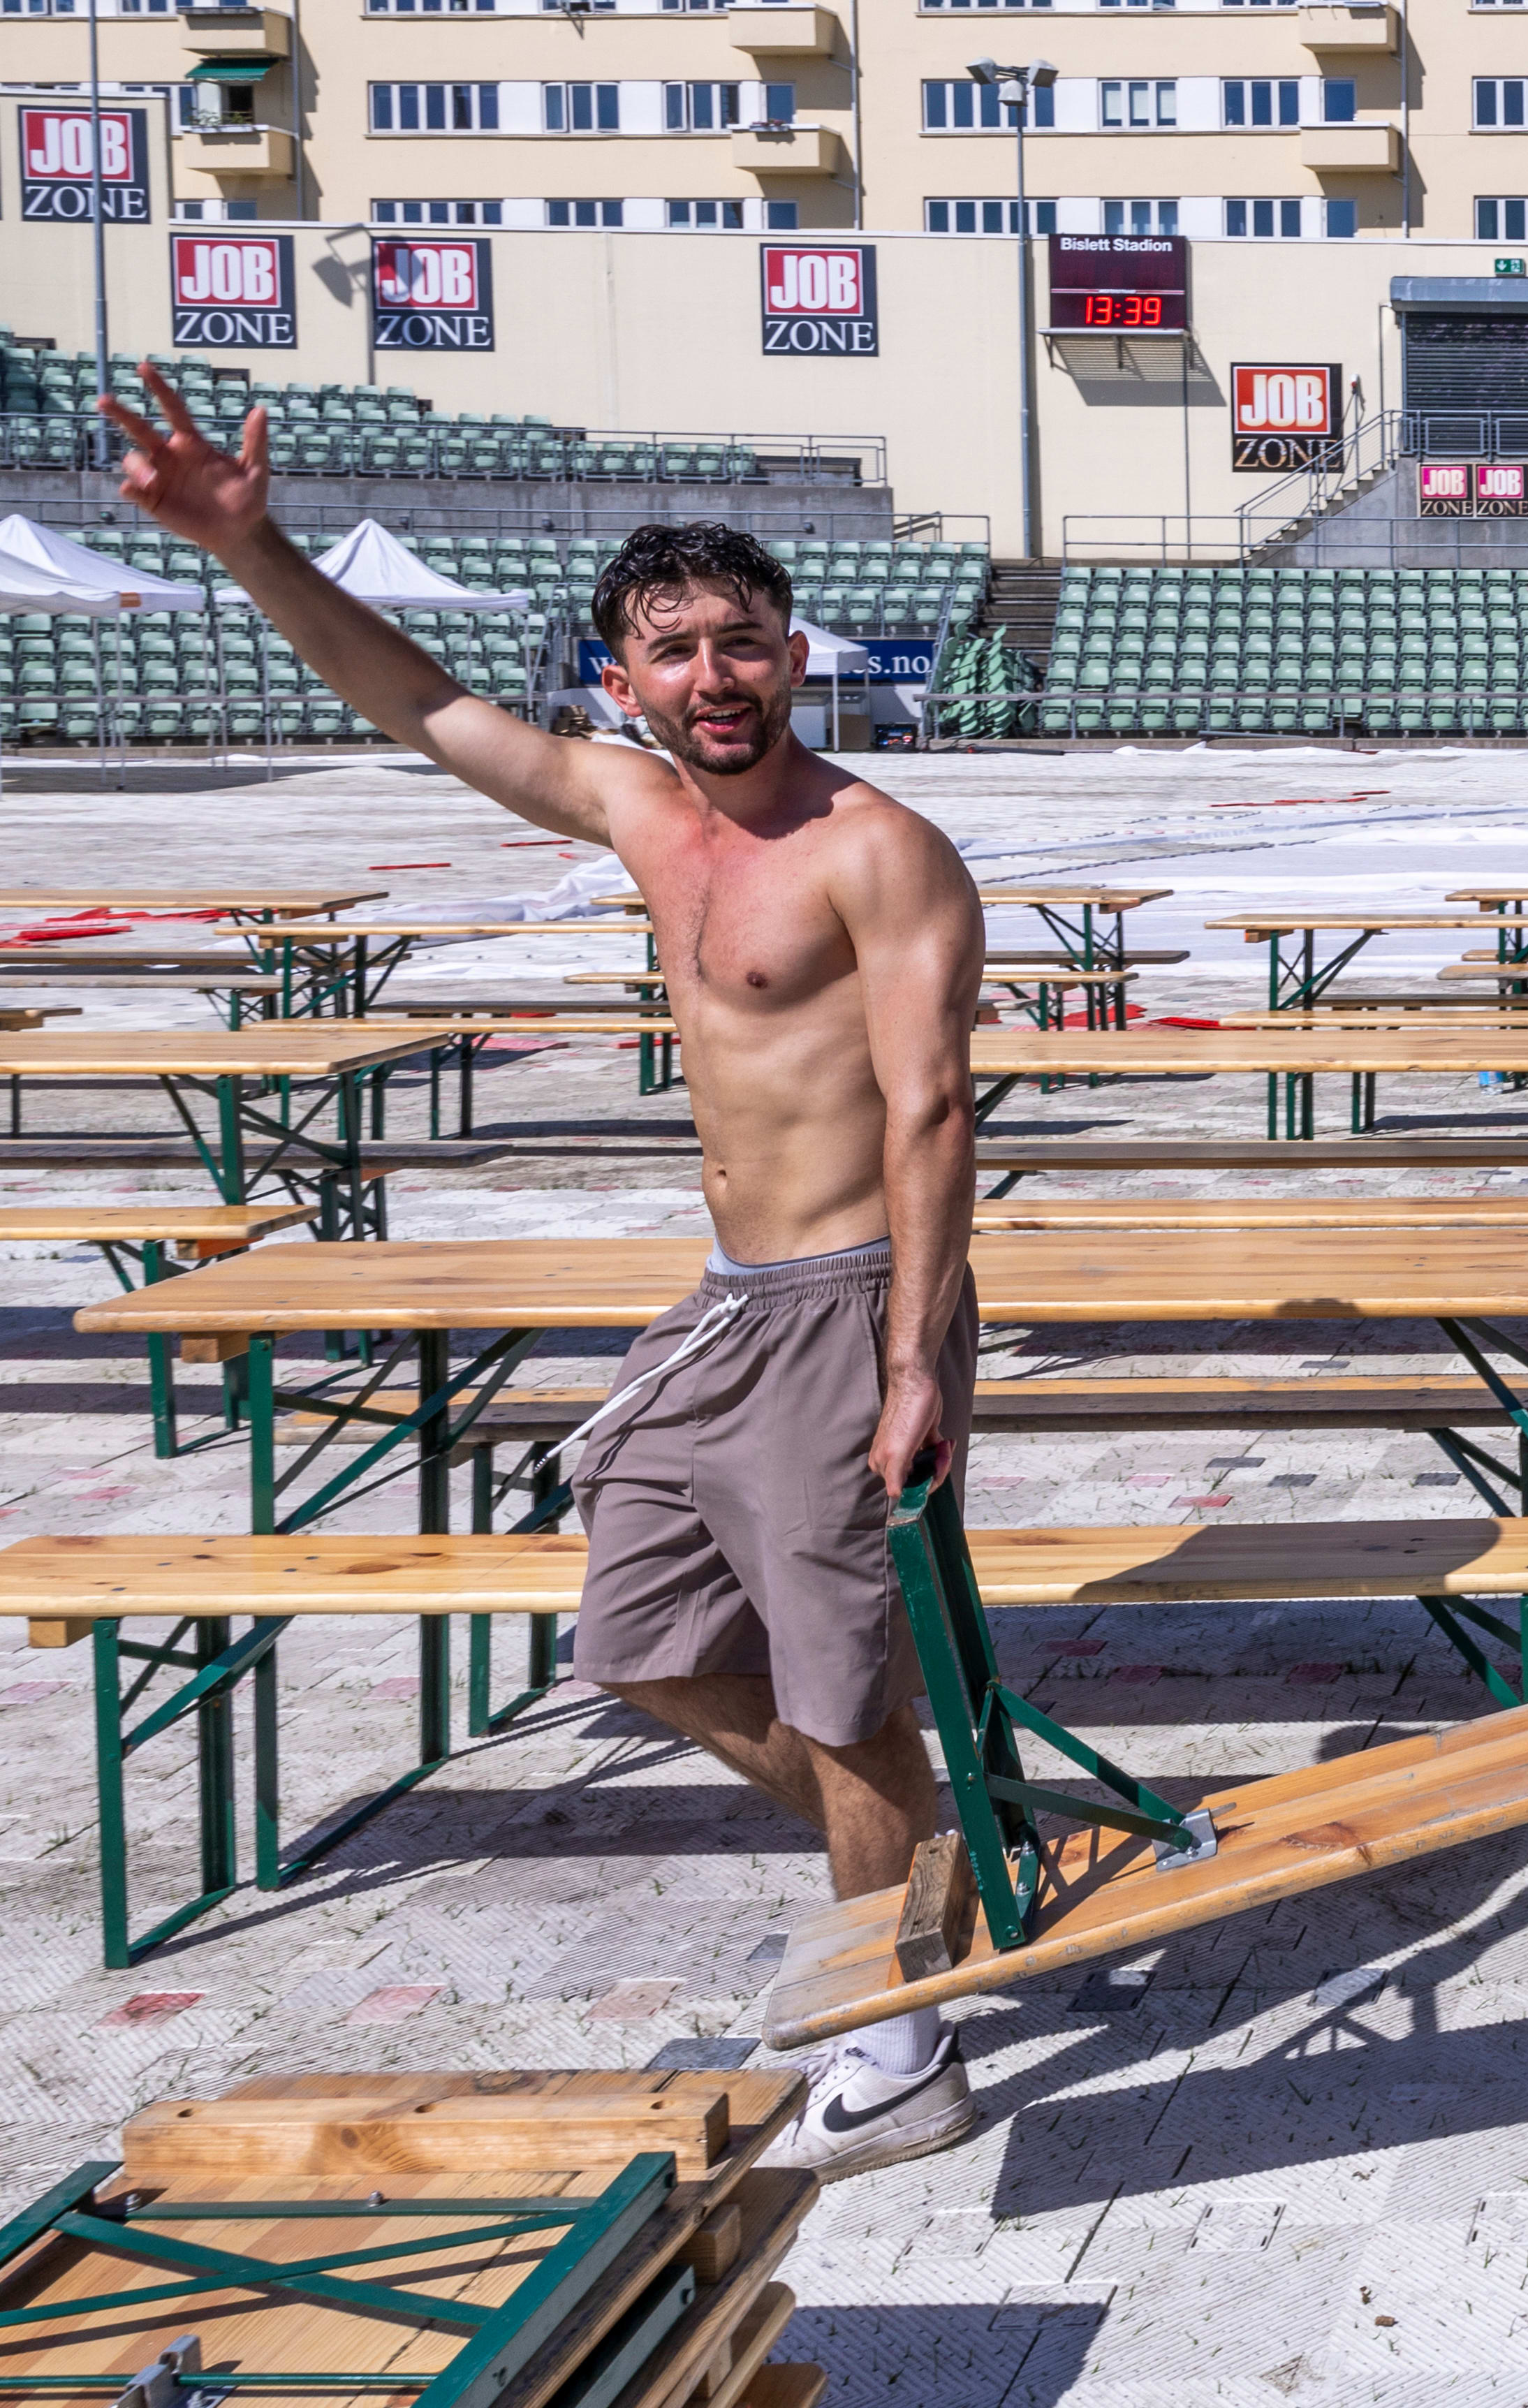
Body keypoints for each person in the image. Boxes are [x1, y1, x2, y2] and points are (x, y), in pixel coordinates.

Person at [104, 367, 990, 2175]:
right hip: (730, 1306)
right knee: (643, 1642)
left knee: (839, 1686)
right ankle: (919, 1872)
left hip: (848, 1304)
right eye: (673, 651)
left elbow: (935, 1108)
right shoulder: (642, 816)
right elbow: (418, 700)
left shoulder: (879, 849)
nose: (713, 676)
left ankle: (900, 2037)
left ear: (795, 651)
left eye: (741, 640)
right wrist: (253, 543)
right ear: (623, 683)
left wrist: (915, 1360)